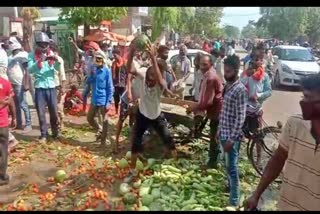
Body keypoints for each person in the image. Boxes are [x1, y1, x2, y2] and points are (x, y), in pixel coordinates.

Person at [244, 74, 320, 211]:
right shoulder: (295, 124)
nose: (303, 103)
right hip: (287, 205)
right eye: (303, 97)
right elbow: (277, 160)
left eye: (309, 98)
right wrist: (256, 194)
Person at [125, 43, 177, 183]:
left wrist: (153, 58)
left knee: (168, 140)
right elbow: (129, 69)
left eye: (154, 78)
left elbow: (160, 79)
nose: (150, 81)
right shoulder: (143, 73)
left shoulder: (162, 83)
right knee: (135, 142)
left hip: (156, 115)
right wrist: (131, 53)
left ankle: (175, 170)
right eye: (150, 77)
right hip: (142, 114)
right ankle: (132, 170)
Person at [218, 54, 248, 207]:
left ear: (236, 71)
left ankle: (234, 201)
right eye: (225, 70)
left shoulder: (240, 90)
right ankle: (229, 187)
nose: (226, 73)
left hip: (231, 137)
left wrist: (231, 139)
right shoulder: (227, 86)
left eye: (229, 71)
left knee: (233, 169)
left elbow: (240, 117)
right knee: (227, 164)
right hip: (223, 133)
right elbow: (225, 112)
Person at [187, 55, 223, 168]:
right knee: (214, 135)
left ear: (211, 65)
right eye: (201, 64)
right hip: (213, 111)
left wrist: (194, 108)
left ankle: (213, 163)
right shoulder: (207, 75)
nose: (202, 67)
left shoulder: (211, 78)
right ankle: (215, 160)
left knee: (214, 137)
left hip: (217, 112)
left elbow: (207, 101)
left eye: (205, 65)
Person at [240, 54, 272, 168]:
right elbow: (239, 86)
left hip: (256, 109)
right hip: (243, 109)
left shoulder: (265, 76)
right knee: (240, 132)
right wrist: (247, 76)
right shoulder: (244, 74)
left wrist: (258, 96)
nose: (258, 61)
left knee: (257, 135)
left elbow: (269, 92)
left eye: (260, 59)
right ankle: (237, 156)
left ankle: (258, 159)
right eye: (255, 59)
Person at [27, 32, 60, 143]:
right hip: (40, 87)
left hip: (51, 86)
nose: (43, 46)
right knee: (41, 113)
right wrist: (39, 60)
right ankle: (44, 135)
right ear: (37, 44)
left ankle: (55, 132)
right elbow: (30, 70)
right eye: (40, 44)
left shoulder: (51, 53)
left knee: (54, 112)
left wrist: (55, 59)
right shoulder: (31, 55)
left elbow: (57, 68)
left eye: (44, 44)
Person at [86, 51, 113, 146]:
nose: (97, 61)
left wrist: (109, 102)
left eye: (99, 59)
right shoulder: (94, 70)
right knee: (89, 118)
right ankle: (99, 129)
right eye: (96, 59)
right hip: (94, 99)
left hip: (103, 99)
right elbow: (88, 81)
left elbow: (110, 87)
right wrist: (91, 75)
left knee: (105, 121)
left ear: (103, 60)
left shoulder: (107, 72)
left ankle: (104, 140)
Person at [7, 39, 32, 132]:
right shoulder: (10, 57)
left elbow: (27, 70)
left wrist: (26, 83)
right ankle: (19, 123)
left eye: (11, 43)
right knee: (16, 104)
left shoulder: (22, 56)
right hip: (11, 82)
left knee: (23, 104)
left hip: (19, 83)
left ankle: (28, 123)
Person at [70, 40, 100, 113]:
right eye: (88, 49)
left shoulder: (99, 58)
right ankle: (84, 110)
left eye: (91, 49)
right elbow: (78, 50)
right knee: (84, 95)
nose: (89, 51)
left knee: (95, 96)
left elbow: (101, 70)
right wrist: (73, 43)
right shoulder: (86, 56)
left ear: (94, 50)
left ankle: (97, 112)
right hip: (89, 79)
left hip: (95, 80)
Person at [0, 76, 16, 185]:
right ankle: (2, 177)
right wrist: (14, 117)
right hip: (2, 124)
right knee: (2, 150)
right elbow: (11, 102)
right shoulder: (5, 83)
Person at [50, 41, 67, 130]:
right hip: (49, 86)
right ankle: (55, 124)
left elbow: (62, 74)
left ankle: (61, 122)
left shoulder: (58, 60)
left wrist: (62, 87)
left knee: (58, 106)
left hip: (57, 86)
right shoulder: (45, 59)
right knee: (52, 107)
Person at [111, 48, 127, 115]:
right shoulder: (114, 63)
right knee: (116, 98)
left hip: (123, 84)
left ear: (118, 54)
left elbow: (127, 72)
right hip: (116, 84)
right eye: (113, 56)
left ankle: (123, 112)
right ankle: (117, 111)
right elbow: (113, 74)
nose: (114, 57)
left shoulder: (124, 62)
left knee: (124, 100)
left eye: (115, 55)